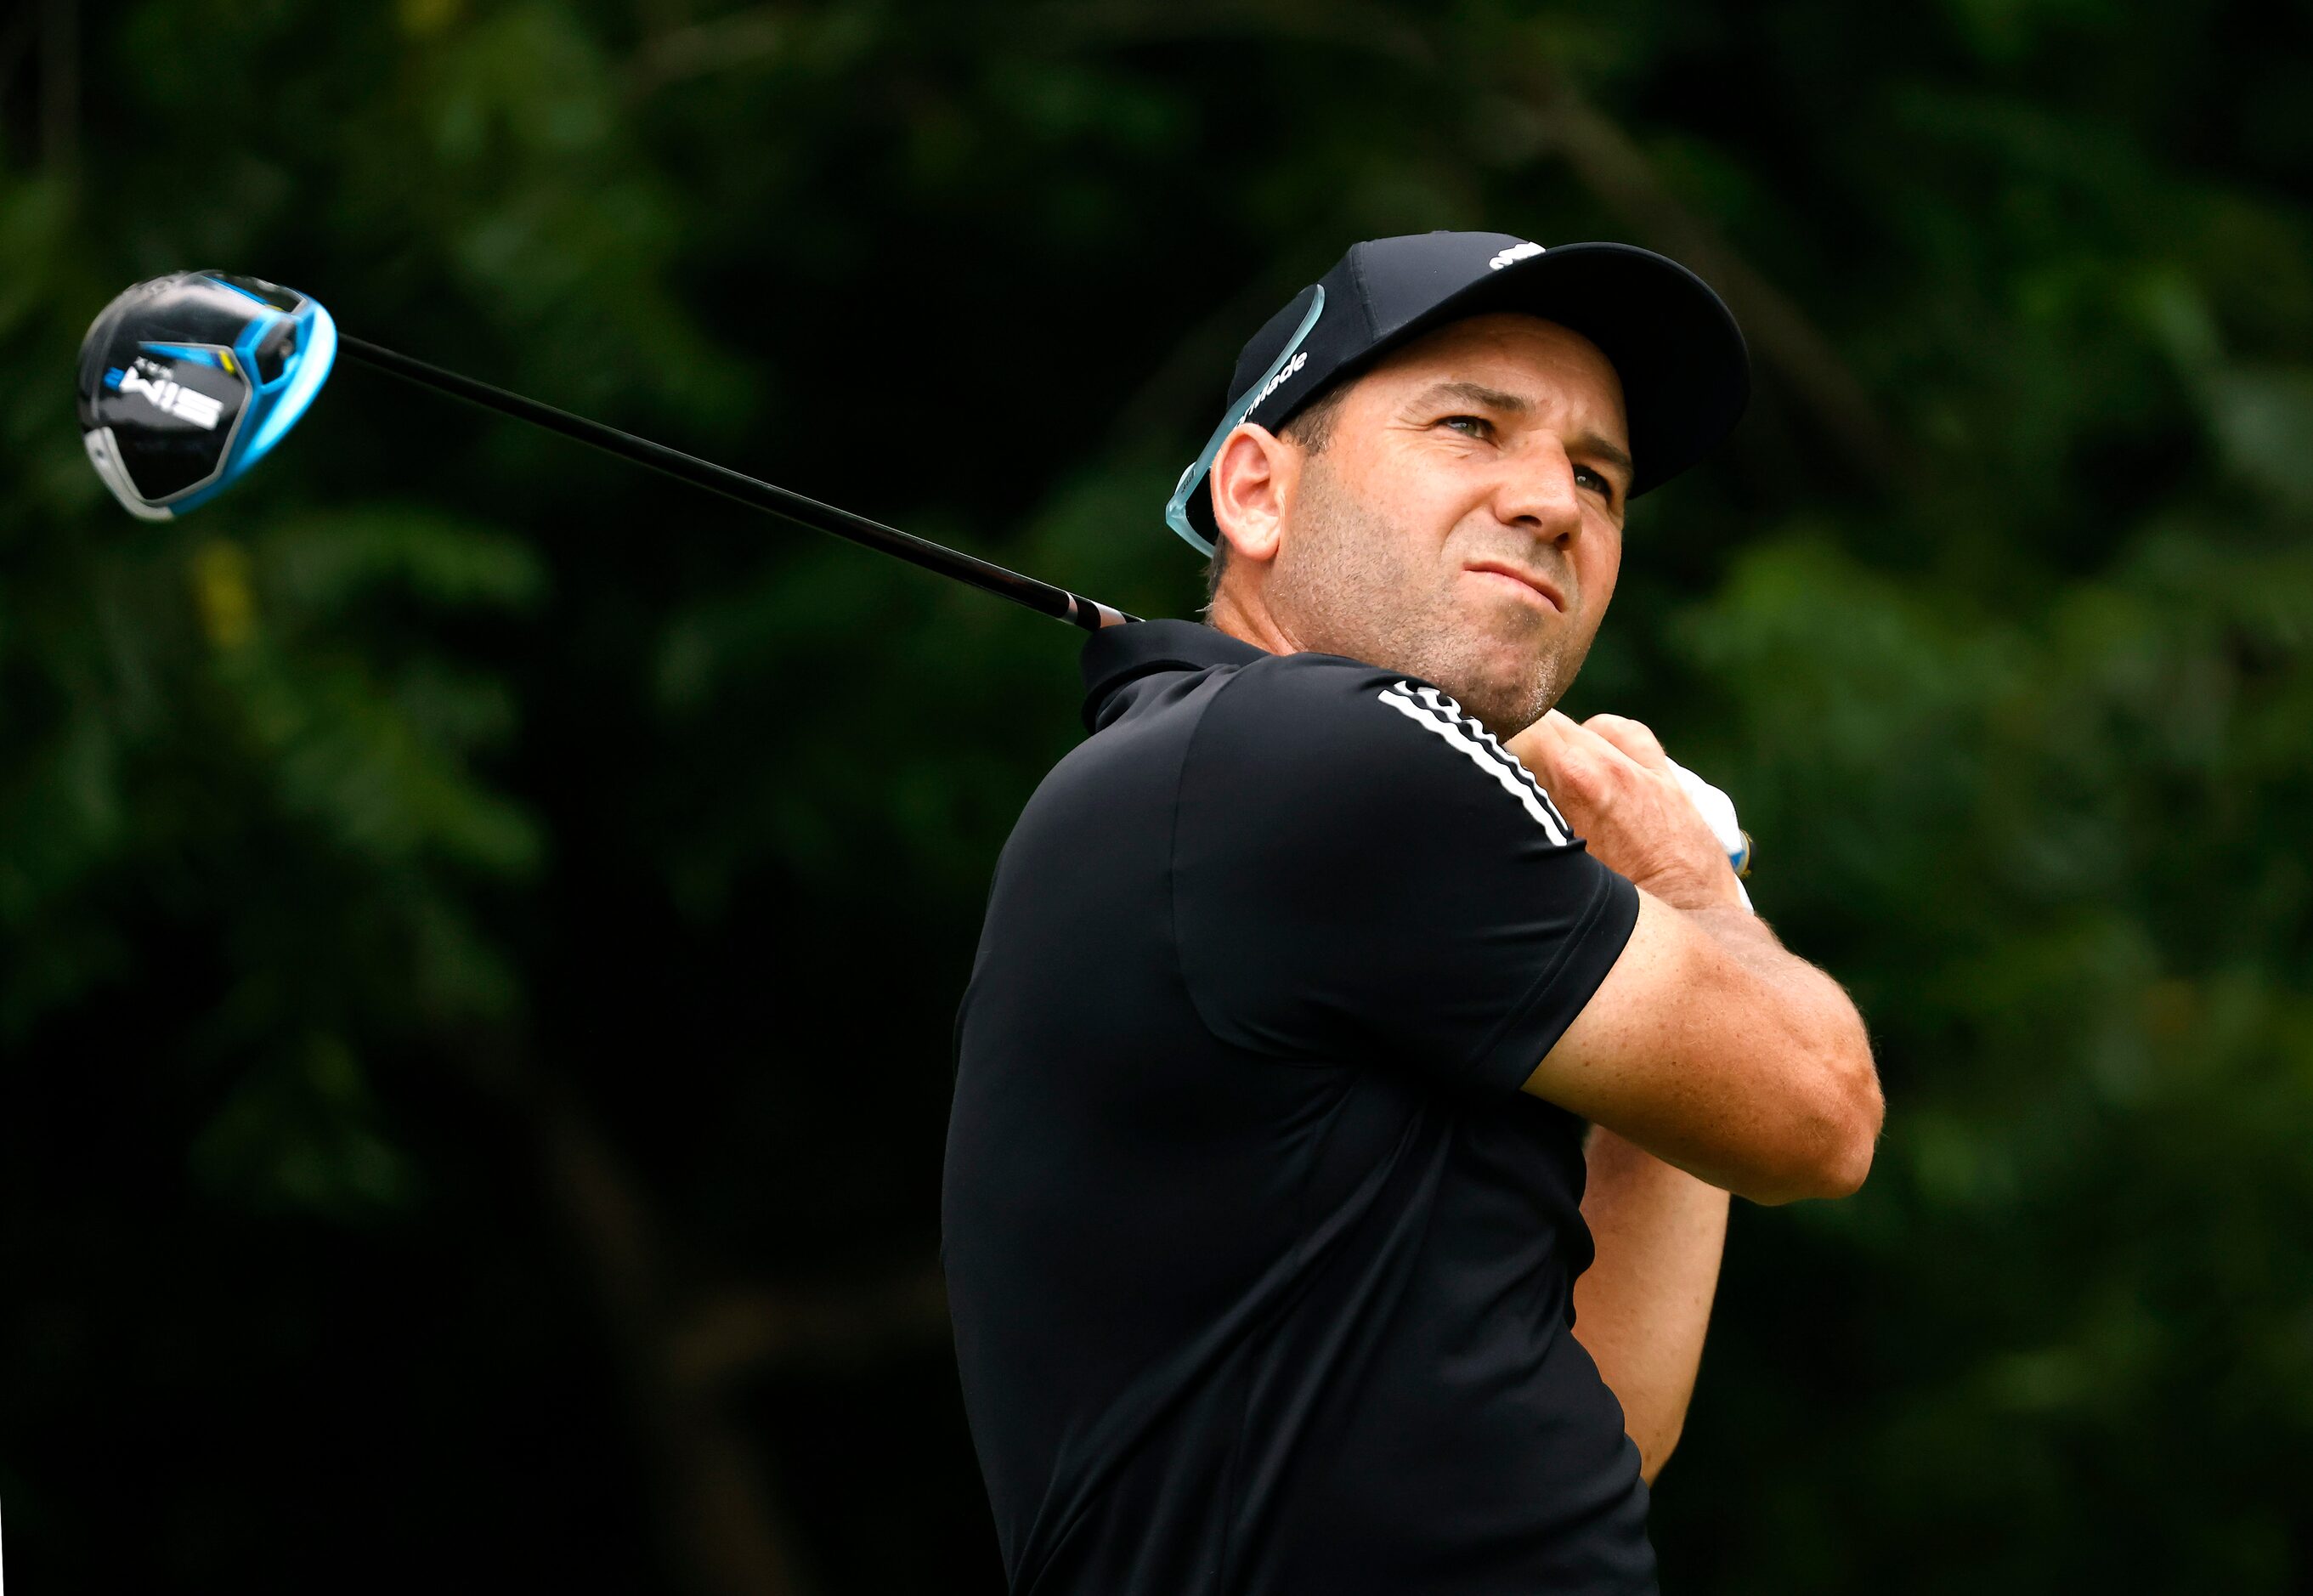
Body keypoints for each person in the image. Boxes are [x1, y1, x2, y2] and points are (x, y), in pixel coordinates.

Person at [942, 231, 1883, 1596]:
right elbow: (1819, 1112)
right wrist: (1689, 877)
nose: (1551, 502)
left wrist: (1663, 935)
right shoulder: (1316, 747)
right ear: (1254, 490)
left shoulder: (1283, 822)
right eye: (1470, 426)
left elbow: (1597, 1431)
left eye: (1596, 476)